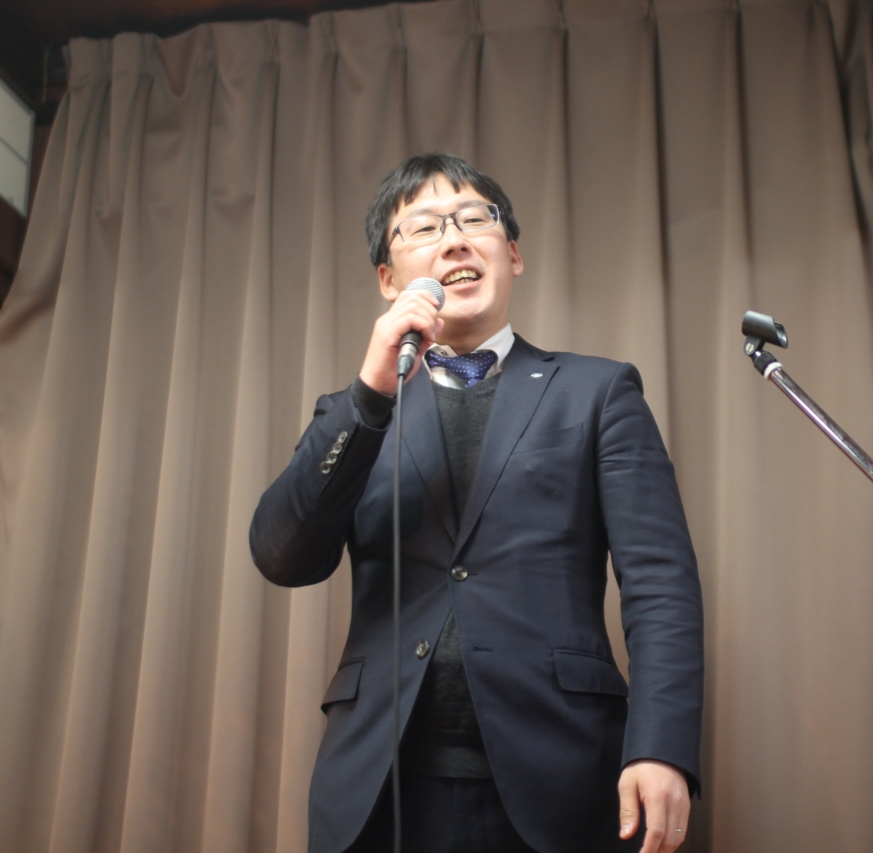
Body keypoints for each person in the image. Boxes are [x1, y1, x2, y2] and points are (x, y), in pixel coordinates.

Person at [250, 154, 703, 853]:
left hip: (561, 776)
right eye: (423, 227)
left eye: (473, 220)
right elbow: (284, 556)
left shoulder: (598, 392)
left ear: (512, 254)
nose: (454, 240)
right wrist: (369, 395)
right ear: (388, 279)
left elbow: (661, 582)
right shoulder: (355, 412)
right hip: (380, 786)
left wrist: (661, 746)